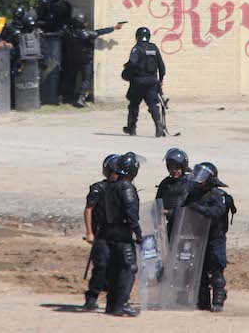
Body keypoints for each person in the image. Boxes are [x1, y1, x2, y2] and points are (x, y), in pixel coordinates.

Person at [185, 162, 236, 313]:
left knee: (217, 270)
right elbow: (182, 208)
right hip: (199, 237)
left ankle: (218, 300)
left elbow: (216, 212)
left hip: (215, 238)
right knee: (199, 271)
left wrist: (198, 208)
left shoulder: (219, 196)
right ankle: (203, 302)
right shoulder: (194, 194)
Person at [103, 151, 141, 317]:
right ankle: (121, 304)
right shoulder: (126, 186)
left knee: (114, 269)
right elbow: (131, 212)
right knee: (128, 268)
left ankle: (111, 304)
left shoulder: (111, 185)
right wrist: (138, 233)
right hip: (123, 235)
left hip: (110, 234)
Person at [82, 154, 119, 311]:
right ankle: (91, 298)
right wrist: (89, 232)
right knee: (101, 265)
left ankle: (115, 299)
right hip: (101, 234)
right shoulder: (98, 188)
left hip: (118, 234)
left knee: (117, 267)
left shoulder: (123, 188)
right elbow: (89, 210)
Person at [66, 13, 123, 108]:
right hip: (85, 59)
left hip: (73, 58)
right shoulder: (85, 33)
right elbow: (98, 32)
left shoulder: (70, 32)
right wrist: (113, 28)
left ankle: (69, 96)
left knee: (72, 77)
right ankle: (81, 98)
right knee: (86, 79)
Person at [122, 27, 166, 137]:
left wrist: (126, 73)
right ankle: (158, 125)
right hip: (152, 81)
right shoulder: (154, 48)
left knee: (134, 104)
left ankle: (132, 128)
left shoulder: (137, 49)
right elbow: (162, 67)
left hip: (138, 81)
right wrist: (160, 80)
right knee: (153, 104)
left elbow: (132, 64)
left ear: (137, 36)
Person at [155, 148, 191, 239]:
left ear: (183, 167)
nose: (174, 170)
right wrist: (158, 222)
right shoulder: (165, 183)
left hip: (186, 227)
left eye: (177, 167)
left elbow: (189, 209)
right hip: (170, 225)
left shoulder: (189, 184)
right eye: (171, 167)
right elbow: (157, 203)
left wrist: (168, 212)